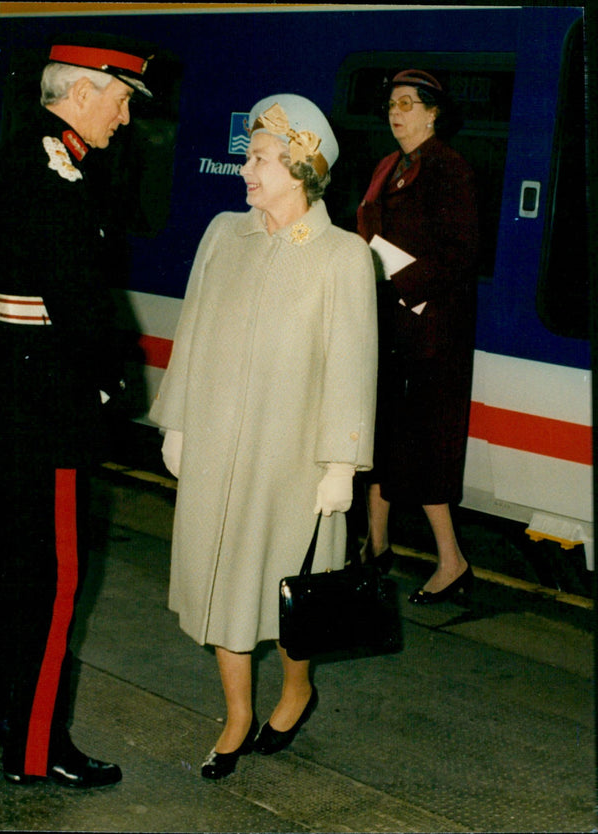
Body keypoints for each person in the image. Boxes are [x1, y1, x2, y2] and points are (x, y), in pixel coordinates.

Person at [0, 33, 155, 787]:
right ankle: (35, 750)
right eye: (123, 100)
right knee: (56, 579)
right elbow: (78, 304)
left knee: (17, 566)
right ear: (85, 90)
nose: (125, 118)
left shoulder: (24, 157)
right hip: (49, 407)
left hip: (10, 396)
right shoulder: (59, 175)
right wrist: (110, 383)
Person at [149, 94, 377, 779]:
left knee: (286, 584)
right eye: (249, 156)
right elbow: (191, 333)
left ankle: (298, 687)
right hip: (217, 447)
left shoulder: (343, 257)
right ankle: (237, 713)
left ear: (302, 168)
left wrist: (342, 461)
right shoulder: (225, 234)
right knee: (220, 580)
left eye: (259, 158)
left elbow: (352, 363)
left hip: (292, 460)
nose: (245, 170)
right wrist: (179, 421)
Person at [356, 69, 479, 603]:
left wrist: (404, 284)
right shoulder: (389, 166)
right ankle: (376, 545)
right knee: (380, 432)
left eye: (408, 104)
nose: (396, 112)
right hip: (389, 323)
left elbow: (461, 252)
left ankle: (452, 562)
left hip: (432, 330)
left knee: (426, 446)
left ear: (433, 113)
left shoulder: (450, 168)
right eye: (391, 104)